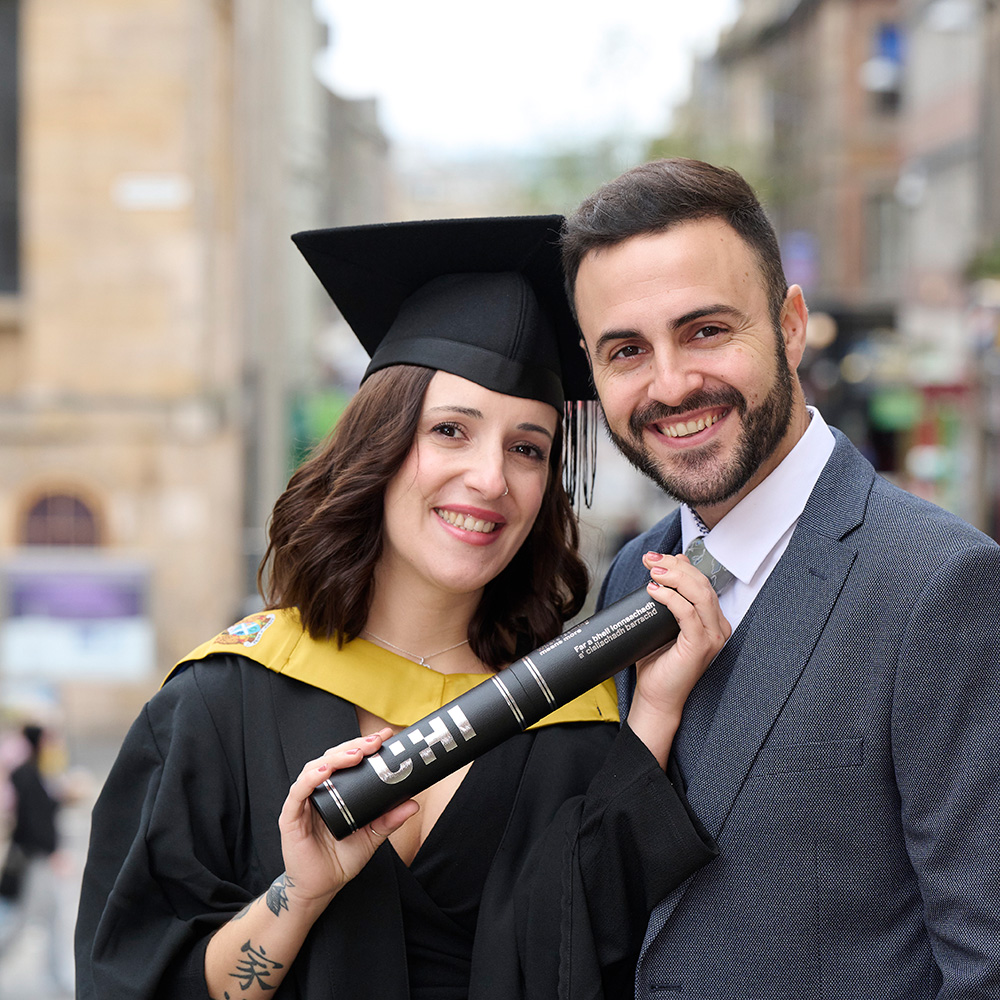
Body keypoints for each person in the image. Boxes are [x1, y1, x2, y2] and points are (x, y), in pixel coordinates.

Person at [75, 215, 729, 1000]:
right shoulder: (219, 704)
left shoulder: (572, 725)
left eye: (528, 447)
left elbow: (594, 960)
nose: (491, 478)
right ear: (378, 449)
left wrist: (652, 717)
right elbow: (138, 982)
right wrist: (301, 895)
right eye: (450, 430)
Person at [561, 157, 1000, 997]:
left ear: (790, 325)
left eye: (706, 331)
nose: (670, 384)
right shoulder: (628, 575)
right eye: (626, 350)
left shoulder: (942, 589)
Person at [0, 723, 73, 995]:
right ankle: (57, 979)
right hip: (33, 860)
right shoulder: (27, 774)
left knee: (46, 919)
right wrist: (53, 851)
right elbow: (33, 820)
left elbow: (41, 810)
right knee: (19, 921)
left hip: (35, 858)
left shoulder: (33, 772)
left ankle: (57, 978)